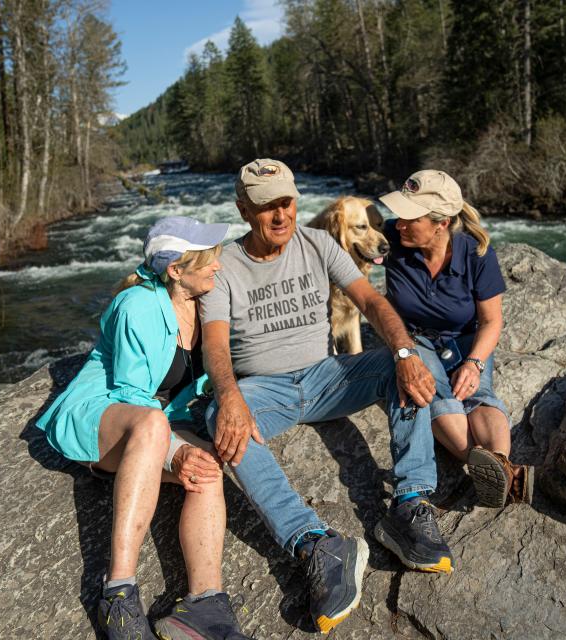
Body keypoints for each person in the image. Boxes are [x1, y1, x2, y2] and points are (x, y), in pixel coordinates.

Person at [198, 159, 453, 634]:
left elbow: (372, 302)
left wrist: (402, 350)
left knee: (410, 363)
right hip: (264, 391)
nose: (280, 216)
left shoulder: (319, 244)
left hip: (327, 378)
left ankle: (409, 506)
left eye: (288, 202)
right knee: (219, 418)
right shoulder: (225, 263)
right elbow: (214, 340)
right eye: (266, 206)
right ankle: (316, 543)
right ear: (242, 210)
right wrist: (229, 395)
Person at [35, 216, 250, 640]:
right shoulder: (136, 306)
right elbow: (133, 396)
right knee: (153, 425)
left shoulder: (205, 302)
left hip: (161, 422)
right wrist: (174, 451)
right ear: (176, 271)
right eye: (209, 261)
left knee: (206, 468)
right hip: (108, 415)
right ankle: (117, 592)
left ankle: (206, 604)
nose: (218, 267)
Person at [379, 170, 534, 509]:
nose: (399, 224)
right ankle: (499, 474)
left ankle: (497, 465)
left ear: (441, 223)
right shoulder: (390, 236)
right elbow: (345, 226)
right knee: (431, 394)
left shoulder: (476, 253)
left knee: (477, 392)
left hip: (466, 339)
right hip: (414, 338)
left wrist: (475, 364)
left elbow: (492, 321)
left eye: (410, 218)